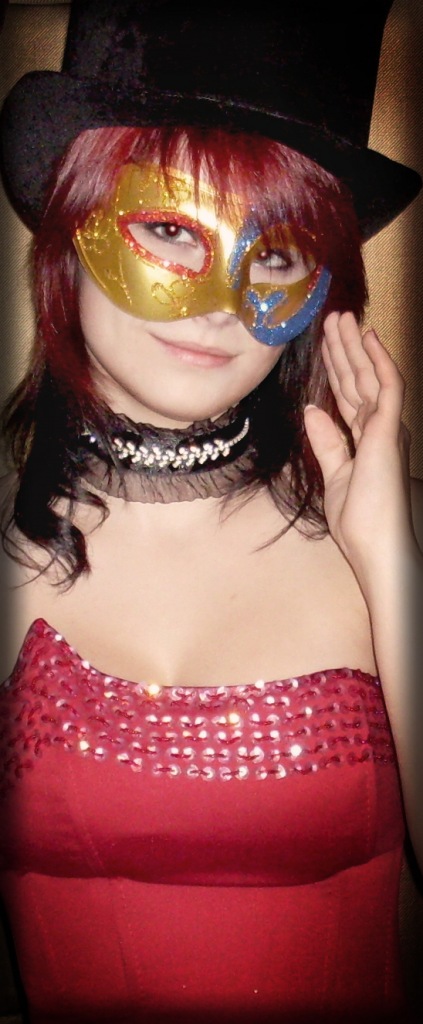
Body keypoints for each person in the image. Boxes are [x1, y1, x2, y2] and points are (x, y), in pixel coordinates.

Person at [0, 1, 422, 1021]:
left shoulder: (391, 530)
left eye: (275, 254)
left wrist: (387, 561)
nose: (224, 300)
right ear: (70, 229)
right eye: (168, 230)